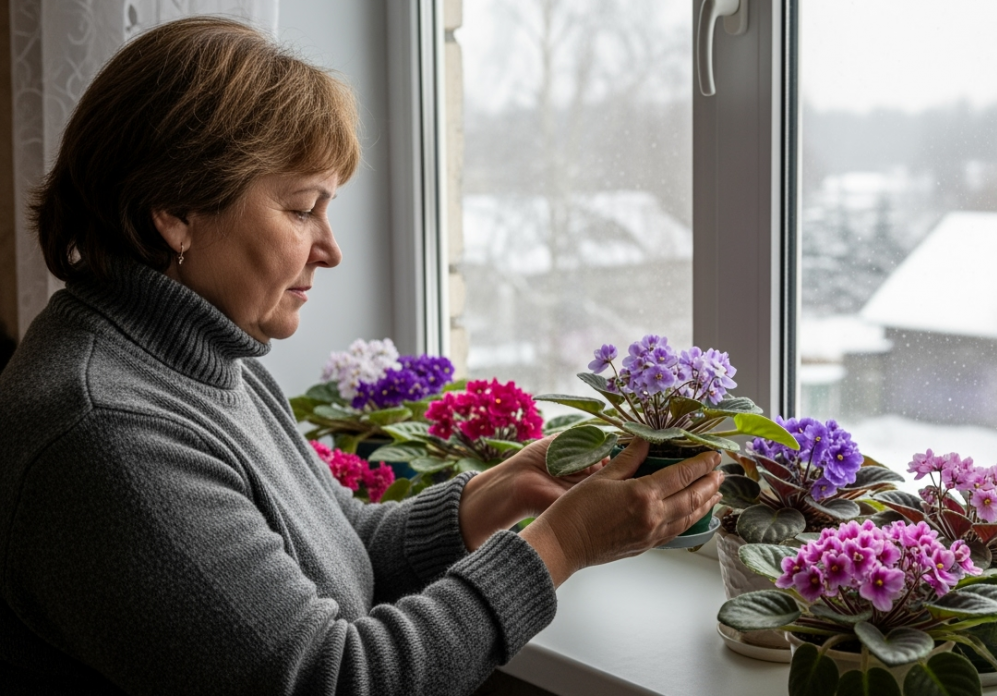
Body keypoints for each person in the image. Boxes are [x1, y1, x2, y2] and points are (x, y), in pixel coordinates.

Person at [0, 17, 723, 695]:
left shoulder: (207, 359)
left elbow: (342, 550)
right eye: (301, 207)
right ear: (175, 211)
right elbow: (338, 678)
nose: (331, 248)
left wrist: (492, 497)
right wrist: (562, 543)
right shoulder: (107, 432)